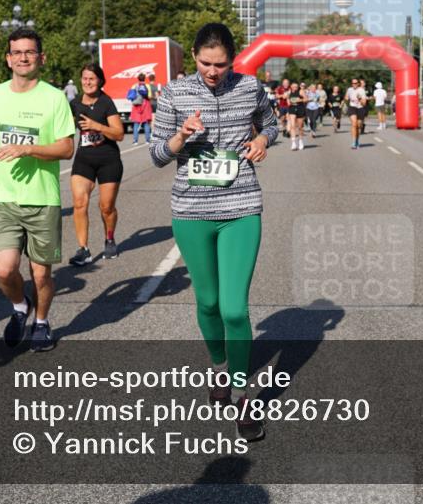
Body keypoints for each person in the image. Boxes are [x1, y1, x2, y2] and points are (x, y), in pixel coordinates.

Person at [151, 22, 277, 442]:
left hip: (241, 207)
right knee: (207, 302)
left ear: (232, 60)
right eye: (205, 63)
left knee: (234, 309)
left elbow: (271, 124)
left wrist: (263, 142)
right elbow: (156, 154)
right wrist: (180, 137)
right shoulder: (174, 93)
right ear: (193, 56)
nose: (212, 71)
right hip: (191, 210)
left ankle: (241, 396)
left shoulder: (250, 87)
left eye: (220, 64)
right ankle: (220, 367)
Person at [0, 29, 75, 352]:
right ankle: (21, 306)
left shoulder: (54, 97)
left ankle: (42, 322)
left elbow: (67, 148)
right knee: (5, 270)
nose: (23, 57)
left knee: (41, 275)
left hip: (42, 200)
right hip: (3, 197)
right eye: (17, 52)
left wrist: (28, 149)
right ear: (8, 59)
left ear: (41, 58)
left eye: (29, 52)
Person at [69, 63, 125, 265]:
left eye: (92, 79)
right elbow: (64, 127)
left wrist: (97, 126)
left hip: (108, 160)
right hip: (84, 160)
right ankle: (83, 249)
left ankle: (109, 238)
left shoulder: (106, 102)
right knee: (79, 203)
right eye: (84, 78)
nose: (88, 82)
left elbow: (119, 134)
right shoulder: (74, 104)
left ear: (100, 81)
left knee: (106, 207)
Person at [129, 72, 153, 146]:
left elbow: (131, 96)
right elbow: (149, 96)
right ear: (144, 78)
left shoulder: (134, 86)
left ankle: (135, 141)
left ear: (138, 79)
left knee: (136, 123)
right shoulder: (147, 86)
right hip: (145, 105)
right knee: (146, 123)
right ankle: (147, 140)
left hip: (136, 106)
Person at [345, 78, 366, 149]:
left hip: (360, 108)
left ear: (358, 83)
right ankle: (353, 143)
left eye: (355, 83)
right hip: (352, 107)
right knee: (354, 124)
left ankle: (357, 140)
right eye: (353, 83)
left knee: (358, 126)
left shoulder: (361, 90)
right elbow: (346, 97)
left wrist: (359, 98)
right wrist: (346, 98)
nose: (354, 84)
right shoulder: (349, 89)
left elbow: (364, 103)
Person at [287, 82, 306, 151]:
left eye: (296, 86)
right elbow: (287, 100)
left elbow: (306, 99)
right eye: (294, 86)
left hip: (300, 109)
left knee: (300, 127)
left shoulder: (301, 91)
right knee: (292, 126)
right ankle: (293, 143)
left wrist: (300, 100)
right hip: (292, 109)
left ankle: (300, 141)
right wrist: (289, 101)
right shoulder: (289, 92)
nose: (295, 88)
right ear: (291, 87)